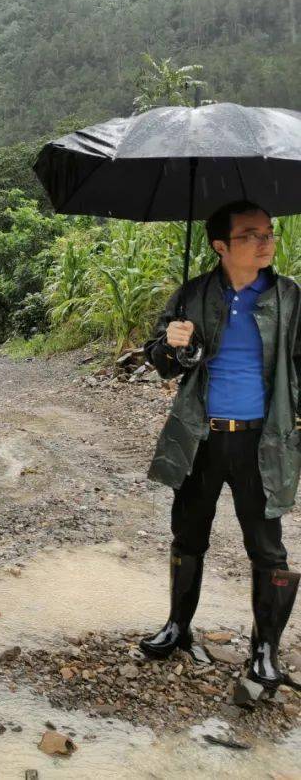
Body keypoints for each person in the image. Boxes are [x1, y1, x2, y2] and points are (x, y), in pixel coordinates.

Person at [140, 200, 300, 703]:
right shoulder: (193, 295)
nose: (265, 242)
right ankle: (177, 626)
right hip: (202, 436)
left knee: (267, 547)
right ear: (220, 246)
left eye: (268, 233)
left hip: (262, 440)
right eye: (250, 234)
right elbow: (162, 362)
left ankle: (265, 649)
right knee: (188, 534)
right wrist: (173, 343)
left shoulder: (289, 296)